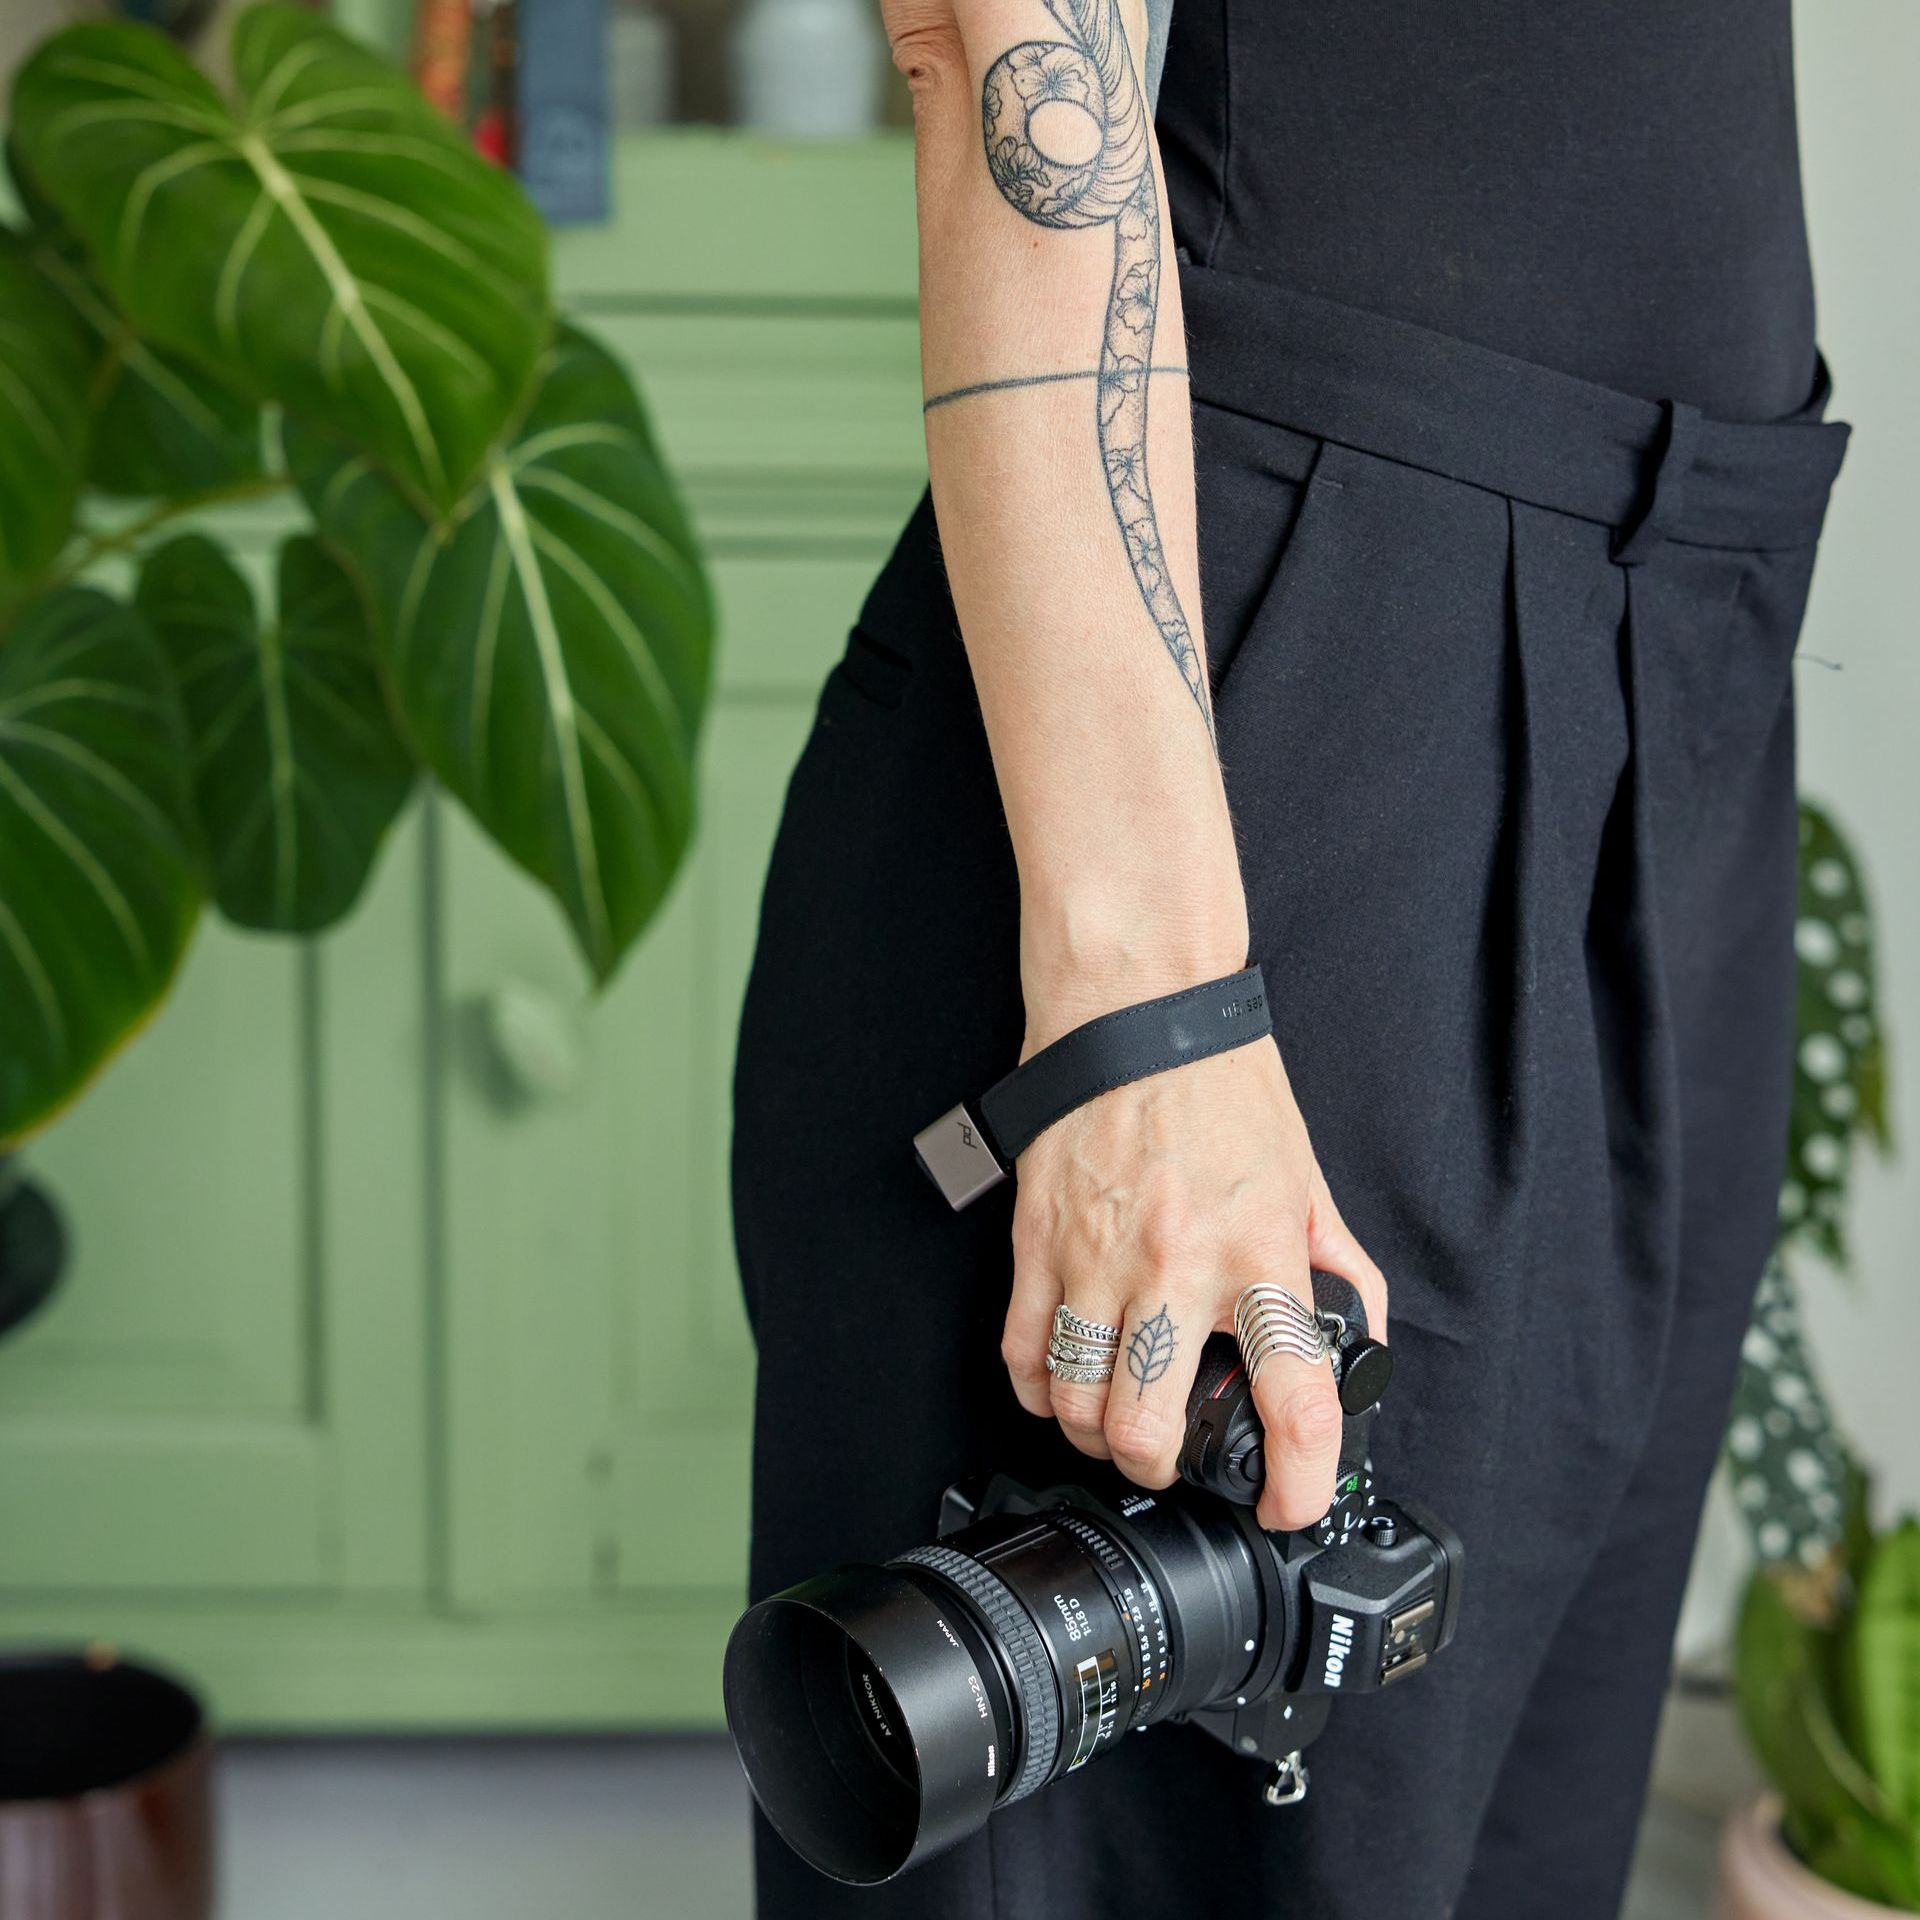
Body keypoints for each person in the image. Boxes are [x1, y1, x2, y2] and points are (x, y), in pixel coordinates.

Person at [731, 0, 1849, 1913]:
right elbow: (997, 41)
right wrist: (1143, 1018)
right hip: (1263, 744)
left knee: (1508, 1842)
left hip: (1683, 663)